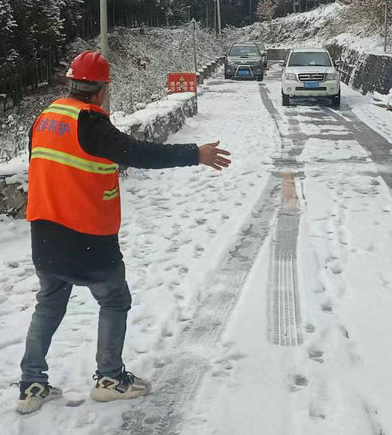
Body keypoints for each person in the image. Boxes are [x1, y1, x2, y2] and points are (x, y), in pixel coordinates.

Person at [17, 50, 232, 415]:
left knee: (49, 303)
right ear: (101, 90)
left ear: (71, 83)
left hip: (44, 232)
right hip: (86, 236)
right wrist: (195, 153)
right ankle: (110, 379)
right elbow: (138, 153)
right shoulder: (90, 124)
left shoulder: (45, 118)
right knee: (114, 300)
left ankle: (31, 384)